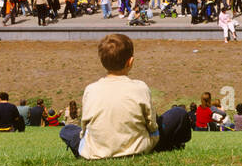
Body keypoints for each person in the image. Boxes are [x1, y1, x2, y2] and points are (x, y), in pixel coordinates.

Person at [58, 34, 192, 159]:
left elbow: (85, 127)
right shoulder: (140, 88)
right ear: (130, 61)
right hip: (136, 148)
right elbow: (152, 125)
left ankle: (87, 152)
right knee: (178, 113)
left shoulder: (90, 90)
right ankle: (174, 145)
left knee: (67, 130)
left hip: (97, 151)